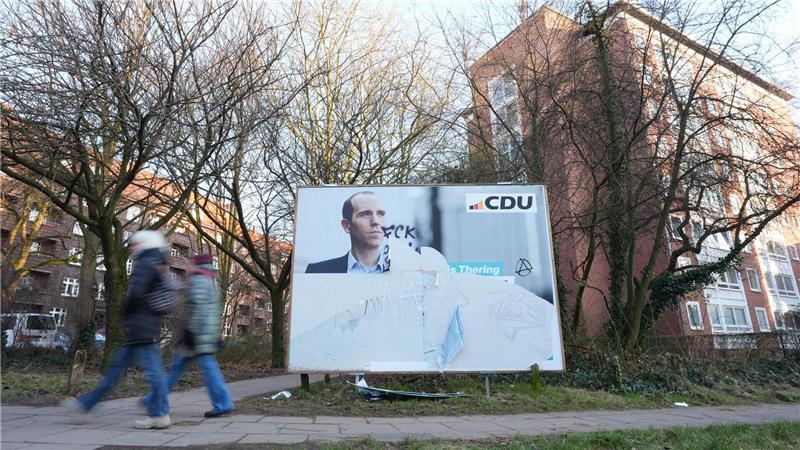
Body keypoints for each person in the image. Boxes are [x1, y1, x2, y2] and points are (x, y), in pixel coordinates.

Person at [65, 230, 172, 429]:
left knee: (152, 374)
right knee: (117, 371)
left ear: (146, 244)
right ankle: (85, 405)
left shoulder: (146, 264)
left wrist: (124, 313)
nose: (133, 248)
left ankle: (160, 414)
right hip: (145, 327)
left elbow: (137, 293)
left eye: (136, 244)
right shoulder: (157, 264)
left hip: (141, 327)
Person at [142, 253, 233, 418]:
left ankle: (222, 404)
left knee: (182, 369)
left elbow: (197, 308)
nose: (190, 266)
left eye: (192, 263)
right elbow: (212, 311)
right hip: (205, 334)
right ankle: (152, 399)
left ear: (198, 265)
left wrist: (190, 332)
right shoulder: (212, 281)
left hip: (195, 336)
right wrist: (216, 334)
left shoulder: (198, 280)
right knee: (201, 368)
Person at [306, 191, 389, 274]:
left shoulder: (400, 270)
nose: (376, 221)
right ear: (346, 225)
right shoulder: (318, 271)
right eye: (365, 214)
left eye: (381, 214)